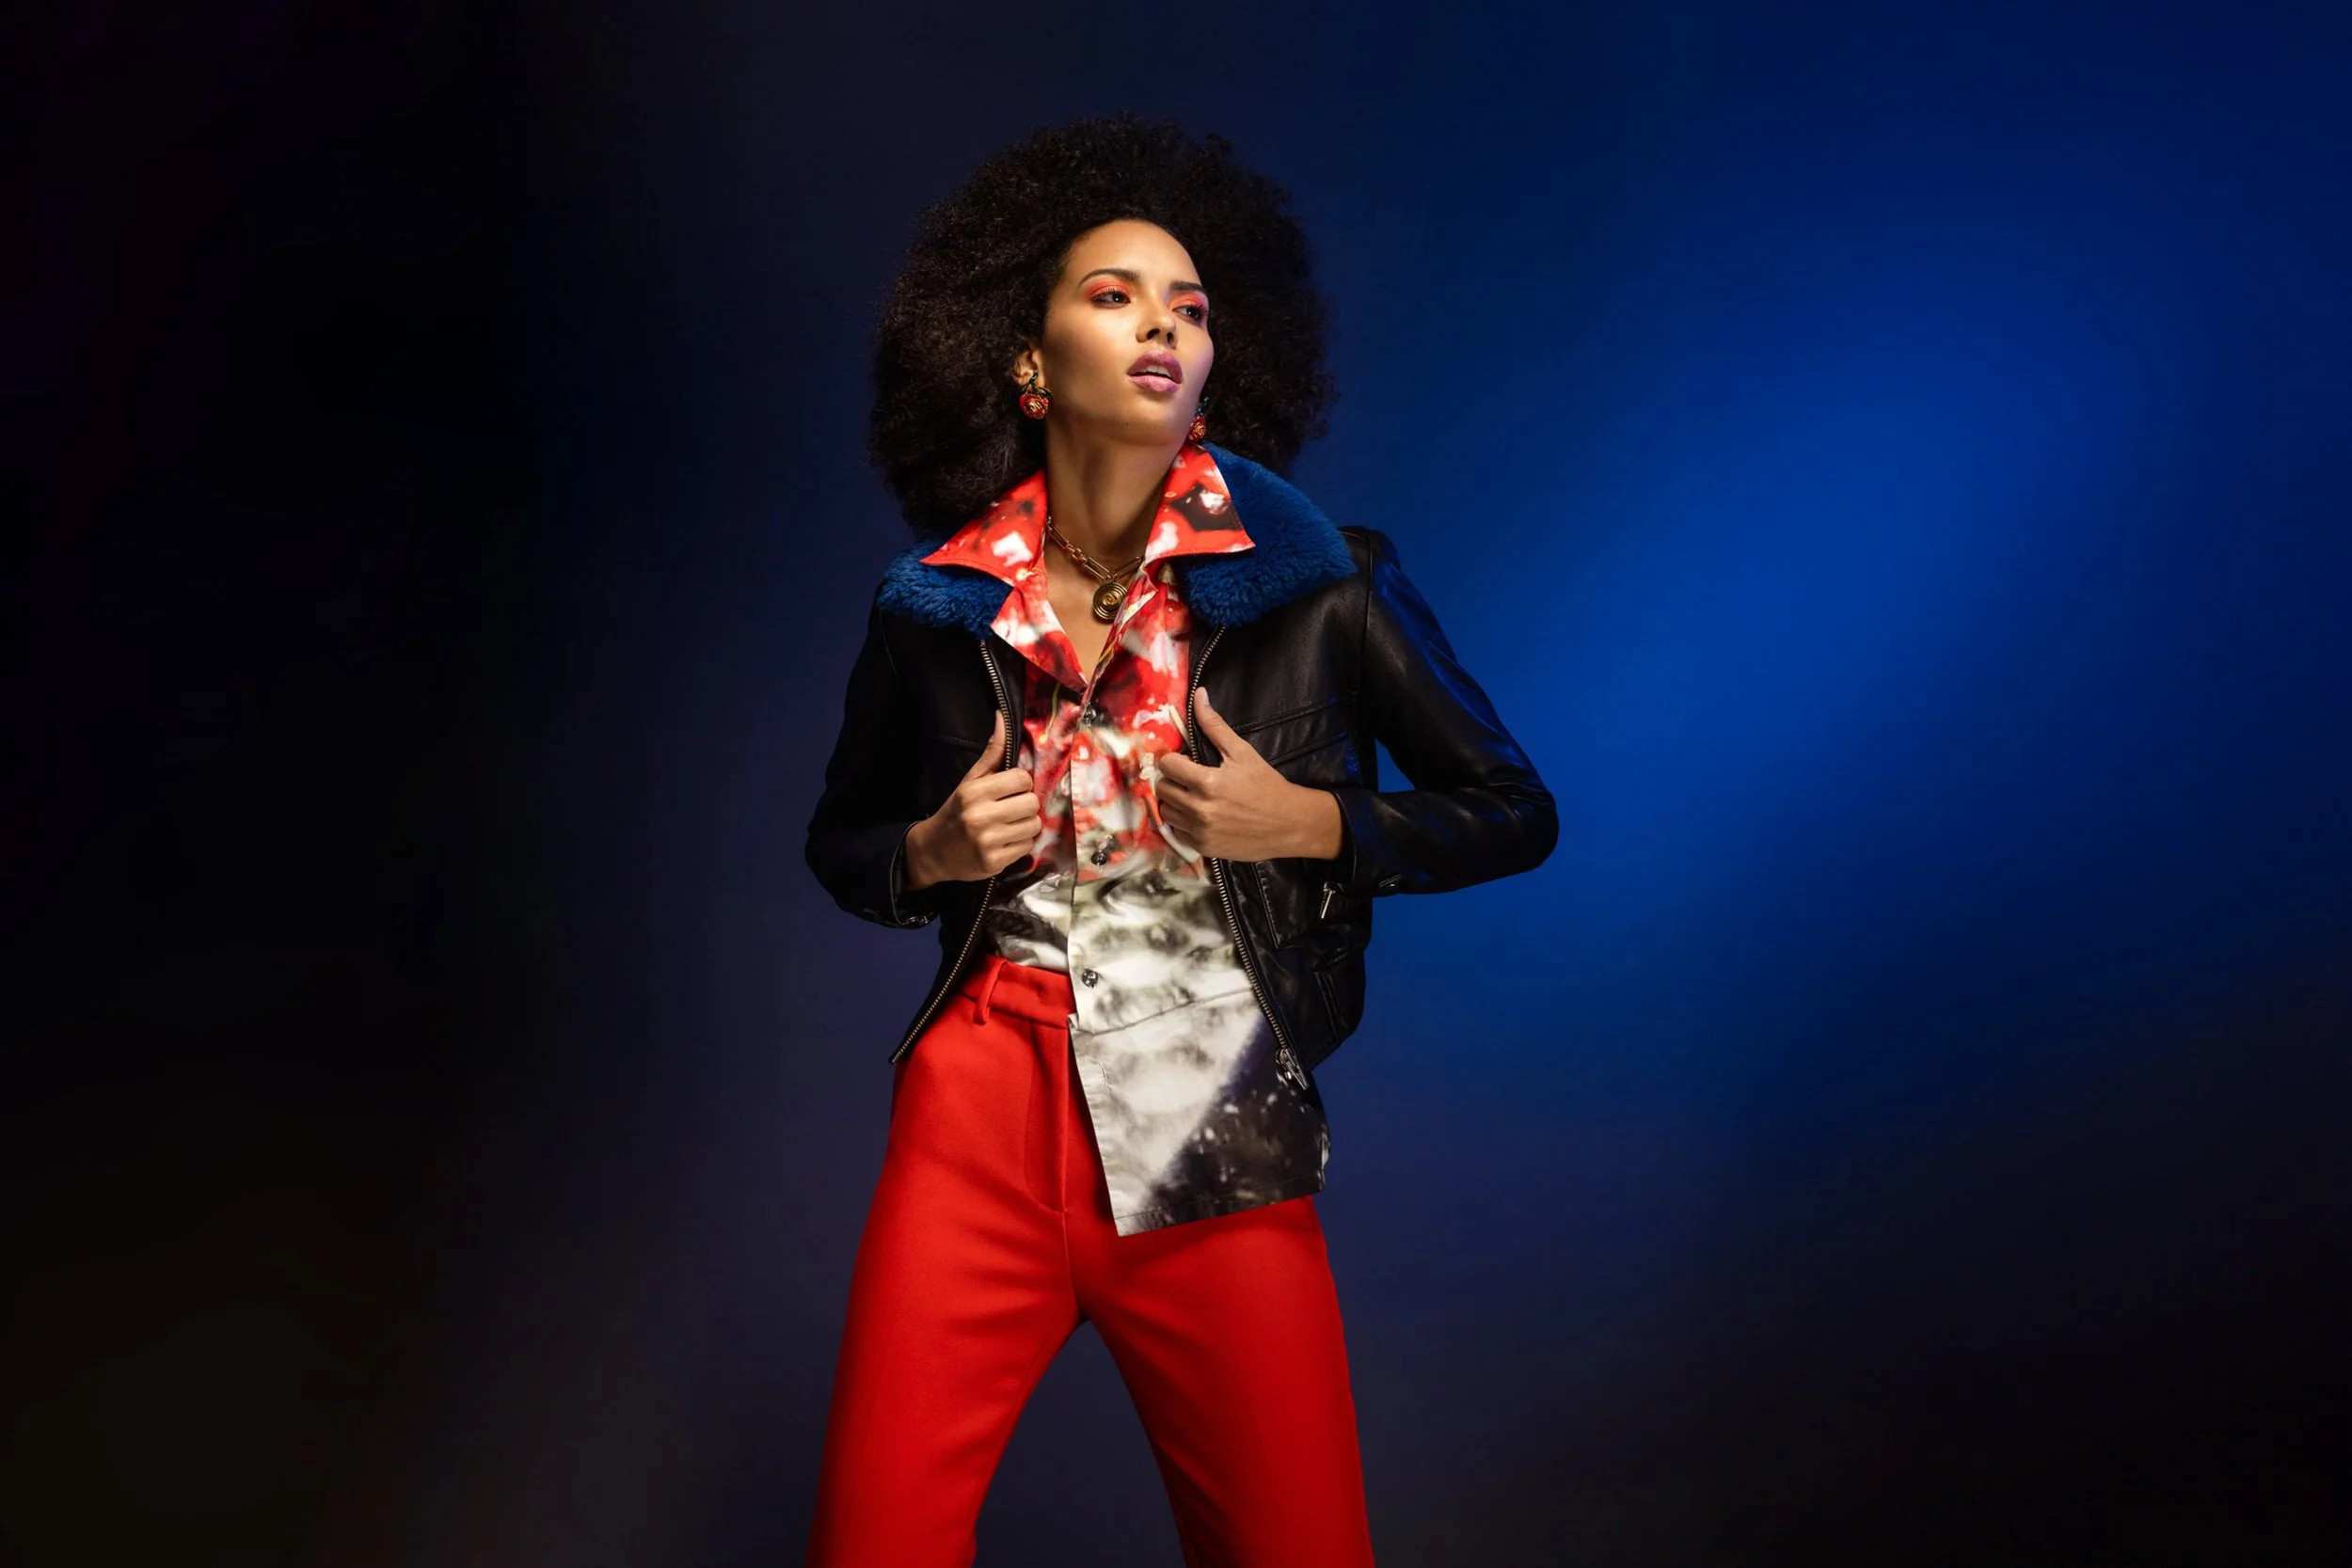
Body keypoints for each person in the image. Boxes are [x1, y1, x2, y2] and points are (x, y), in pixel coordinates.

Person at [803, 112, 1557, 1568]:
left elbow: (1514, 807)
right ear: (1026, 363)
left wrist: (1315, 820)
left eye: (1191, 308)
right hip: (975, 1118)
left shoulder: (1324, 580)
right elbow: (841, 842)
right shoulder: (933, 608)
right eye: (1114, 293)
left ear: (1220, 363)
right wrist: (932, 854)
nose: (1162, 323)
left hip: (1206, 1104)